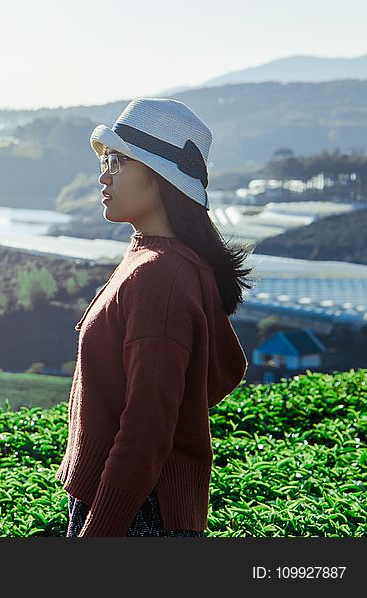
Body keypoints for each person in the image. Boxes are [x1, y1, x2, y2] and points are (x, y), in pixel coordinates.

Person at [55, 98, 253, 537]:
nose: (104, 175)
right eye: (106, 160)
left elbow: (146, 431)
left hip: (133, 515)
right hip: (134, 506)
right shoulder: (160, 261)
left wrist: (99, 532)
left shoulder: (160, 275)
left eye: (120, 161)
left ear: (162, 176)